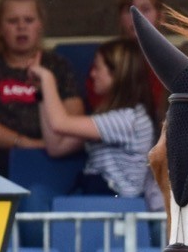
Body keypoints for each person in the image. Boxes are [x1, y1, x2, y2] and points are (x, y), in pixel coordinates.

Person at [0, 0, 82, 176]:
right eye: (12, 21)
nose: (21, 27)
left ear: (40, 25)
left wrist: (45, 146)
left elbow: (74, 118)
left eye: (29, 20)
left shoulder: (58, 65)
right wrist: (26, 144)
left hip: (50, 158)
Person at [35, 38, 160, 207]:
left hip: (117, 207)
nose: (92, 74)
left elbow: (59, 123)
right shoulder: (110, 117)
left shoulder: (129, 119)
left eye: (97, 67)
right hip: (99, 200)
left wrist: (47, 78)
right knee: (37, 196)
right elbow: (56, 147)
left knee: (38, 197)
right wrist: (42, 93)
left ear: (116, 73)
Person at [107, 0, 166, 119]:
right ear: (120, 17)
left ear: (160, 16)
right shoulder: (108, 58)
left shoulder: (170, 58)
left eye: (145, 9)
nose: (136, 16)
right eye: (129, 10)